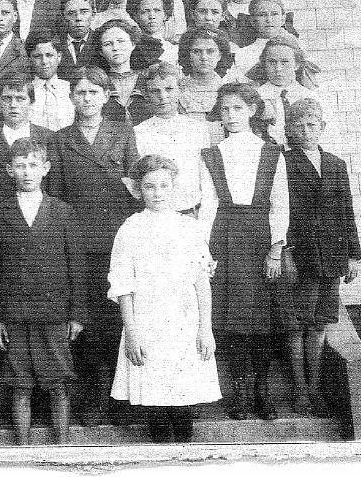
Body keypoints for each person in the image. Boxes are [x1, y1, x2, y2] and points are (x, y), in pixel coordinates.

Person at [46, 66, 140, 425]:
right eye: (81, 93)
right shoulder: (59, 140)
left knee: (116, 318)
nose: (87, 99)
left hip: (116, 241)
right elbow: (53, 195)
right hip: (78, 244)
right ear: (71, 97)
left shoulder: (123, 133)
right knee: (84, 323)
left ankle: (121, 400)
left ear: (105, 97)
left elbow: (134, 187)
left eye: (94, 93)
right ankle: (92, 397)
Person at [108, 155, 220, 442]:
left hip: (183, 323)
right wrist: (131, 333)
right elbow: (123, 287)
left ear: (173, 187)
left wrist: (205, 329)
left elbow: (201, 282)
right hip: (147, 324)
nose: (157, 193)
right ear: (138, 189)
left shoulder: (189, 228)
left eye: (163, 186)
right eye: (149, 187)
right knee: (155, 400)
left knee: (183, 400)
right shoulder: (130, 230)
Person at [198, 83, 290, 422]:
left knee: (262, 323)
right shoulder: (210, 154)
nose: (231, 116)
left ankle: (263, 394)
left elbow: (280, 203)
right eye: (225, 110)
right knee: (233, 323)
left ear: (252, 110)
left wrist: (276, 250)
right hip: (224, 237)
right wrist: (204, 251)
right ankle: (238, 394)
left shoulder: (271, 153)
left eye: (237, 108)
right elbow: (208, 205)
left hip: (259, 239)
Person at [0, 138, 86, 445]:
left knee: (58, 384)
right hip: (16, 314)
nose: (27, 172)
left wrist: (77, 314)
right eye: (20, 166)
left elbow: (77, 267)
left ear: (45, 168)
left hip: (54, 313)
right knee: (20, 386)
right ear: (9, 170)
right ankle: (22, 451)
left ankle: (62, 448)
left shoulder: (63, 211)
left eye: (33, 165)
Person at [284, 98, 361, 417]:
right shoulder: (284, 162)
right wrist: (283, 249)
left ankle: (315, 390)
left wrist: (353, 256)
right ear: (289, 130)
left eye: (312, 125)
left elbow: (346, 211)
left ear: (322, 127)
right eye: (299, 126)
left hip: (331, 256)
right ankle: (300, 392)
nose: (306, 131)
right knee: (297, 325)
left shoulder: (335, 164)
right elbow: (278, 209)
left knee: (320, 324)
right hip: (300, 254)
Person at [133, 63, 212, 216]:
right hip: (156, 215)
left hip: (193, 212)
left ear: (180, 90)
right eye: (155, 91)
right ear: (146, 95)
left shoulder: (197, 129)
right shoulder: (139, 132)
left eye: (169, 89)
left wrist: (205, 216)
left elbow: (206, 178)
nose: (163, 96)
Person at [0, 74, 53, 208]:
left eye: (20, 99)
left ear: (32, 103)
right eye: (7, 99)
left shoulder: (49, 139)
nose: (13, 105)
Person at [239, 0, 319, 89]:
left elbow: (311, 84)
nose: (269, 20)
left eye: (274, 14)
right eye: (262, 15)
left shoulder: (298, 46)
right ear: (252, 21)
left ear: (283, 19)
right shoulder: (243, 53)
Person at [177, 27, 240, 145]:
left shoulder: (232, 91)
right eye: (196, 51)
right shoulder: (177, 89)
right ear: (187, 54)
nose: (204, 57)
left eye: (210, 51)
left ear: (220, 55)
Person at [88, 20, 156, 126]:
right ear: (101, 51)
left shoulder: (148, 78)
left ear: (133, 44)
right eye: (108, 44)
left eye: (121, 41)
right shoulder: (97, 83)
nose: (115, 48)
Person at [255, 35, 319, 147]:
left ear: (297, 64)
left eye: (284, 62)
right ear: (264, 64)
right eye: (272, 62)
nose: (278, 68)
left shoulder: (309, 96)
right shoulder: (256, 97)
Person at [26, 31, 75, 131]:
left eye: (49, 55)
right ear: (29, 59)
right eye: (37, 56)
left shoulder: (70, 89)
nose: (44, 61)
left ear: (59, 56)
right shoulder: (24, 91)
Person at [130, 0, 179, 66]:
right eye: (145, 11)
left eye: (157, 11)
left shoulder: (174, 50)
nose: (152, 16)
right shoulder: (130, 48)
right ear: (136, 16)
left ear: (165, 15)